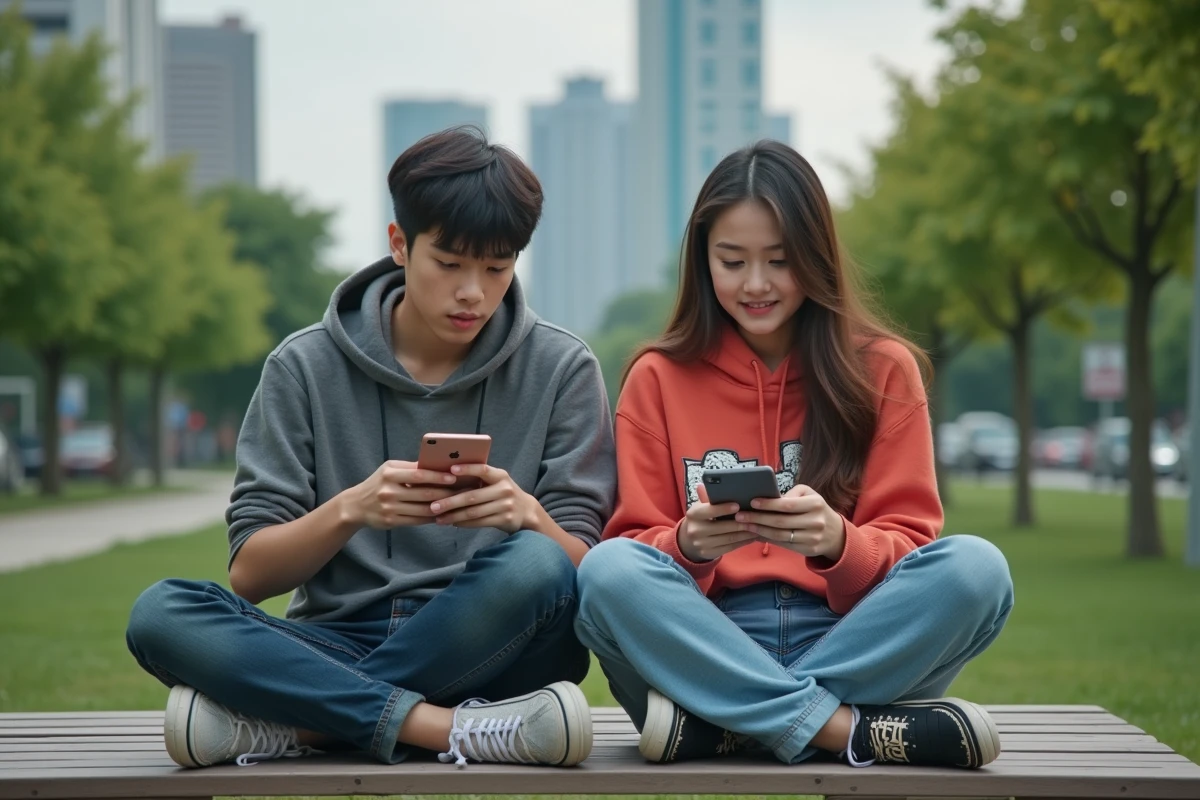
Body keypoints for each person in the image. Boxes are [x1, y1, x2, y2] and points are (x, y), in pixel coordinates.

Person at [125, 126, 616, 770]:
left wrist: (525, 514)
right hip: (332, 640)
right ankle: (444, 730)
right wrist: (351, 509)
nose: (473, 291)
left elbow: (582, 572)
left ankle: (300, 727)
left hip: (496, 645)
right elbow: (250, 574)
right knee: (160, 612)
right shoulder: (302, 367)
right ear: (398, 245)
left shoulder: (563, 368)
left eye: (497, 268)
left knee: (537, 564)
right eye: (450, 263)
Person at [573, 140, 1013, 770]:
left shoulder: (883, 370)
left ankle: (728, 727)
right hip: (704, 641)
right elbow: (634, 548)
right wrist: (690, 545)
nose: (756, 284)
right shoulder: (657, 376)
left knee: (979, 569)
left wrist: (838, 541)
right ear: (702, 262)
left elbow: (912, 544)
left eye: (780, 261)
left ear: (816, 257)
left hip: (849, 639)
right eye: (732, 261)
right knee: (605, 572)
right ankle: (850, 733)